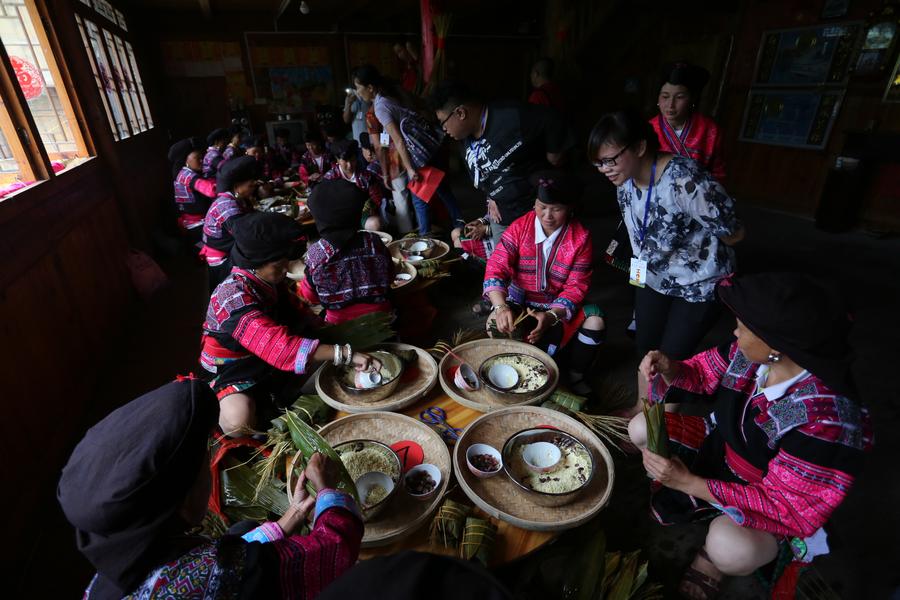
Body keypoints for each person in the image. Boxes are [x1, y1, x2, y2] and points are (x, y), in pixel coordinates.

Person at [628, 273, 873, 599]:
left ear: (776, 346)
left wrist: (688, 482)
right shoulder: (751, 355)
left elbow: (784, 504)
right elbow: (702, 374)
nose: (734, 332)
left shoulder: (827, 421)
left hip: (768, 497)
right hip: (720, 451)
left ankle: (712, 559)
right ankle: (688, 499)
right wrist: (672, 368)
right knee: (640, 428)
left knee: (730, 548)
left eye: (742, 327)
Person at [58, 377, 363, 600]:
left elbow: (232, 553)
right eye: (206, 462)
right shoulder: (214, 575)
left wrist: (292, 516)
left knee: (242, 530)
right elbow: (333, 553)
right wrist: (327, 491)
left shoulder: (104, 583)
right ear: (183, 502)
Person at [201, 211, 381, 435]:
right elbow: (280, 346)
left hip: (265, 358)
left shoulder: (266, 279)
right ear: (257, 263)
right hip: (235, 369)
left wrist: (328, 331)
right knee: (240, 420)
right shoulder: (232, 297)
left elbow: (298, 311)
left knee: (327, 370)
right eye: (279, 264)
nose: (286, 269)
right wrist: (344, 353)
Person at [588, 109, 744, 361]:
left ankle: (663, 400)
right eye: (598, 163)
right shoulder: (623, 180)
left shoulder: (684, 180)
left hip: (697, 284)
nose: (604, 169)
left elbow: (733, 233)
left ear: (639, 147)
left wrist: (695, 248)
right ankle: (642, 402)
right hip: (651, 276)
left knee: (671, 358)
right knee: (645, 348)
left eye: (610, 160)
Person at [484, 172, 606, 393]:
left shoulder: (580, 238)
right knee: (495, 323)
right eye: (542, 207)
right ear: (534, 204)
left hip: (557, 308)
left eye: (556, 209)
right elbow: (496, 266)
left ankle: (576, 374)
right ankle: (515, 370)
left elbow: (576, 286)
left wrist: (551, 316)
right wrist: (501, 307)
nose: (547, 215)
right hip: (519, 304)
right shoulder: (520, 228)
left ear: (570, 208)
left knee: (595, 322)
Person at [430, 80, 573, 249]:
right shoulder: (464, 139)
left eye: (442, 122)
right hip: (502, 217)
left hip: (534, 214)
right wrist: (491, 196)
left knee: (535, 268)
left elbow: (553, 119)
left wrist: (554, 156)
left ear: (460, 113)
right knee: (503, 269)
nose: (444, 130)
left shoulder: (512, 116)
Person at [354, 64, 464, 237]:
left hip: (417, 155)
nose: (357, 93)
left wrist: (409, 168)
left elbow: (397, 140)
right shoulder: (394, 93)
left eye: (358, 88)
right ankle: (460, 224)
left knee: (418, 199)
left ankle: (423, 241)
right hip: (429, 145)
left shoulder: (379, 108)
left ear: (370, 87)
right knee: (442, 189)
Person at [299, 179, 394, 325]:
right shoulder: (374, 242)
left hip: (340, 326)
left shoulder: (317, 253)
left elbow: (309, 296)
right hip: (383, 319)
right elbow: (390, 277)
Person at [651, 61, 726, 183]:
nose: (670, 105)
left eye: (680, 97)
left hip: (696, 196)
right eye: (665, 96)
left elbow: (718, 172)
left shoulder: (710, 130)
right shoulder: (648, 128)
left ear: (693, 98)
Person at [201, 156, 259, 291]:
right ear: (237, 186)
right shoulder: (227, 206)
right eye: (250, 185)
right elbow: (245, 236)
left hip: (229, 250)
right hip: (222, 262)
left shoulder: (237, 199)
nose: (253, 188)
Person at [323, 139, 387, 231]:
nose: (349, 165)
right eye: (345, 161)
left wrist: (371, 205)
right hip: (340, 219)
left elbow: (377, 197)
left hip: (362, 215)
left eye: (352, 160)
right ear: (337, 159)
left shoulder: (366, 176)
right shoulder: (330, 178)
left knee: (375, 223)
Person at [173, 147, 217, 239]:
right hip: (196, 224)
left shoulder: (183, 173)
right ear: (186, 160)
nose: (201, 161)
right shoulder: (188, 176)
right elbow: (211, 191)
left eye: (202, 157)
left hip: (192, 222)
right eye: (197, 158)